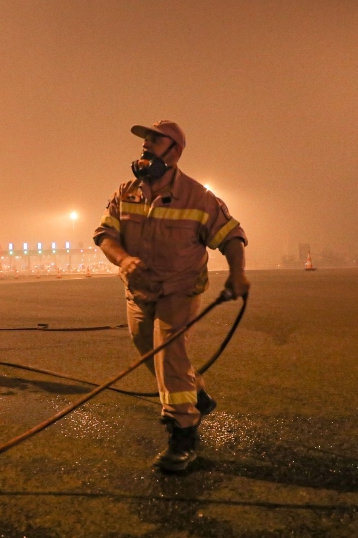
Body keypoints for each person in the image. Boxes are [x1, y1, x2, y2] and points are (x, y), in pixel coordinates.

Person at [93, 120, 250, 472]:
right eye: (144, 141)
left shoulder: (198, 197)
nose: (145, 146)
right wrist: (122, 258)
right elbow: (105, 233)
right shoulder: (126, 191)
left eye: (154, 140)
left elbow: (231, 235)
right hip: (139, 291)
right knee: (146, 348)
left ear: (174, 151)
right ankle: (197, 393)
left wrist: (238, 275)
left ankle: (183, 432)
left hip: (179, 289)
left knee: (168, 354)